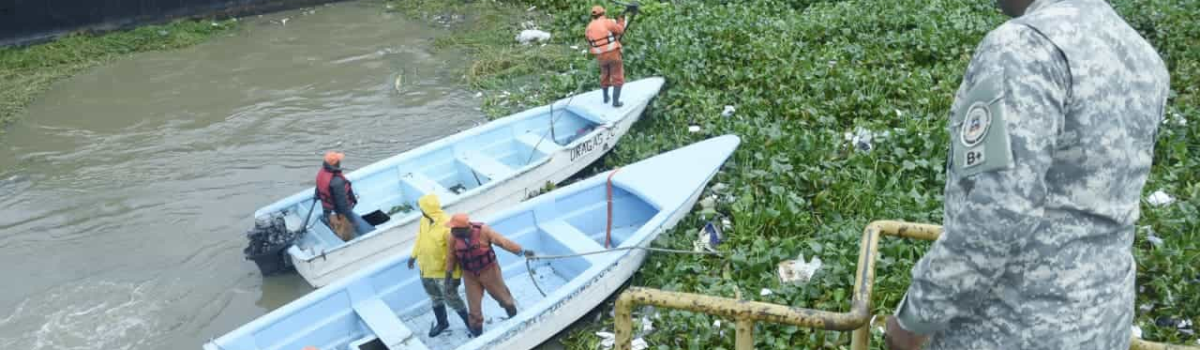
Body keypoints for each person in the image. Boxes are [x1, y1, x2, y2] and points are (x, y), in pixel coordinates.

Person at [883, 0, 1170, 349]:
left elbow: (1000, 208)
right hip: (1105, 323)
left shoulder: (1024, 46)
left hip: (1013, 328)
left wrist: (916, 317)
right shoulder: (1142, 56)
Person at [443, 213, 535, 337]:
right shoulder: (453, 237)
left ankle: (515, 320)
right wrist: (447, 277)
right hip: (470, 276)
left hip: (490, 271)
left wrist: (522, 251)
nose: (452, 230)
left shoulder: (483, 231)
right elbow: (450, 257)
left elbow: (502, 242)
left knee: (505, 300)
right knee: (474, 310)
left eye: (454, 228)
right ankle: (478, 335)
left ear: (464, 228)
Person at [407, 194, 470, 337]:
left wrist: (453, 276)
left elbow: (453, 255)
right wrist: (413, 256)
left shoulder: (447, 226)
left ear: (428, 209)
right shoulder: (424, 220)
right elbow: (420, 239)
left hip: (443, 273)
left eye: (422, 208)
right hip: (426, 269)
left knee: (452, 299)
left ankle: (470, 323)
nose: (421, 211)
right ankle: (442, 323)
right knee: (435, 298)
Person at [315, 151, 375, 240]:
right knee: (350, 232)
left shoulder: (322, 173)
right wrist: (353, 221)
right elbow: (344, 206)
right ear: (336, 164)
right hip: (339, 213)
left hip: (328, 210)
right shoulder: (337, 182)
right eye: (339, 160)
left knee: (336, 224)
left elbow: (317, 193)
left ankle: (330, 223)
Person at [585, 4, 633, 108]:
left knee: (605, 75)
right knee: (617, 76)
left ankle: (606, 98)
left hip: (600, 56)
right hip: (613, 54)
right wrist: (621, 19)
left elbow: (590, 42)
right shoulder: (608, 22)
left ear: (593, 16)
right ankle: (615, 102)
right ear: (603, 13)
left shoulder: (588, 28)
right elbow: (620, 30)